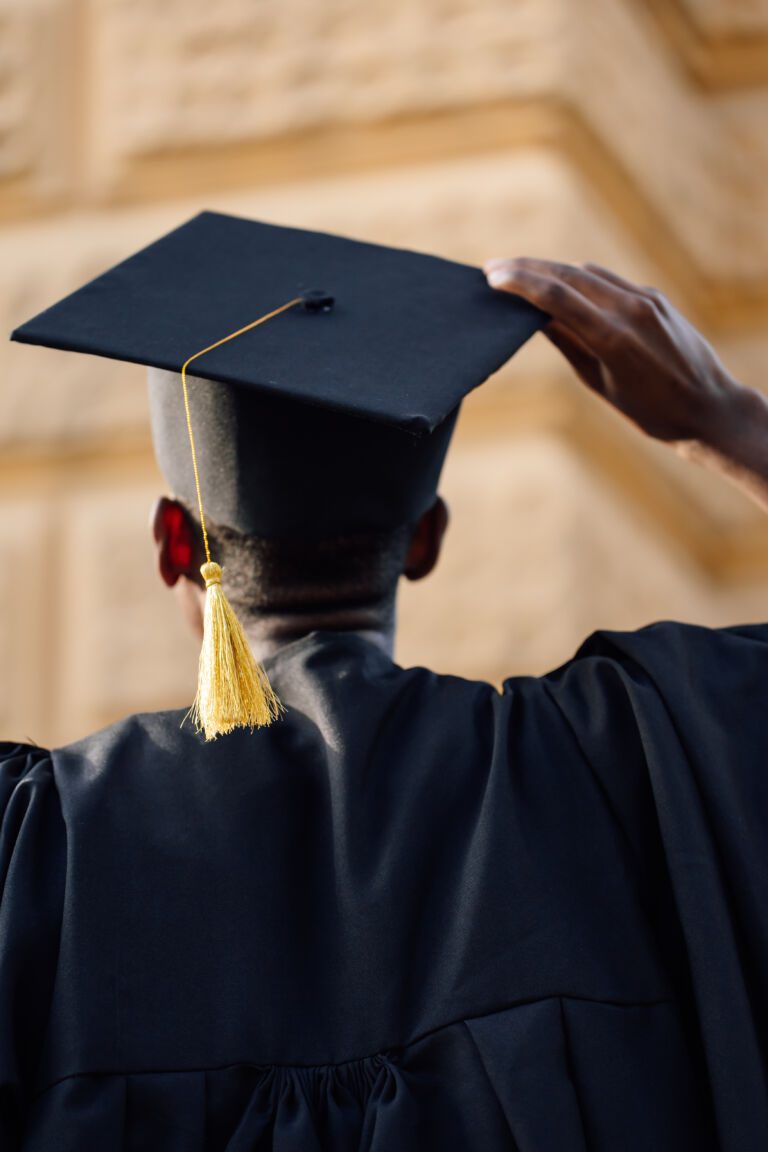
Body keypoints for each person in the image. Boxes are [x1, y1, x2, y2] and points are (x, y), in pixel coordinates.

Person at [1, 222, 766, 1149]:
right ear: (426, 538)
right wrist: (723, 421)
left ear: (174, 542)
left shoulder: (36, 854)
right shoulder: (628, 766)